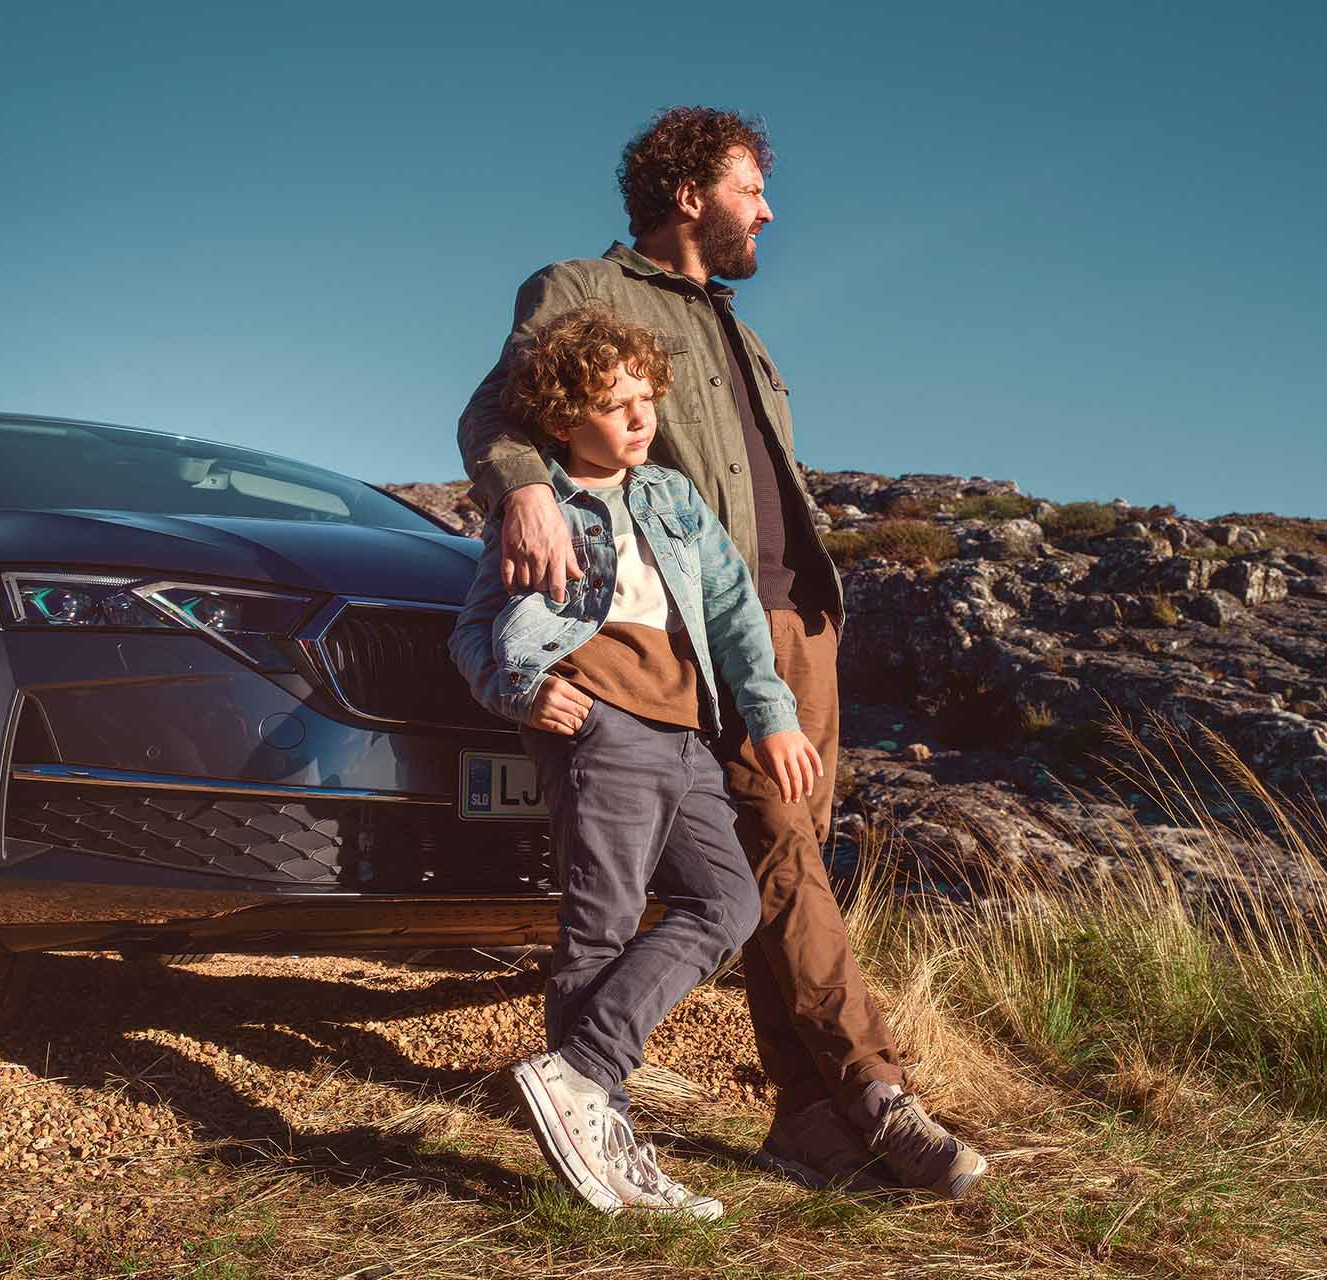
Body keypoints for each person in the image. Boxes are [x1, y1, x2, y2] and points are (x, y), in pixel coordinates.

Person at [450, 107, 984, 1198]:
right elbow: (495, 415)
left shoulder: (743, 332)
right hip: (690, 644)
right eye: (752, 186)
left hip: (791, 627)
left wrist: (801, 651)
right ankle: (874, 1088)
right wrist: (526, 493)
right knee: (770, 862)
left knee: (789, 872)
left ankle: (804, 1118)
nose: (769, 209)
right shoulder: (582, 290)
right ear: (688, 192)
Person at [449, 307, 820, 1219]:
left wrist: (771, 716)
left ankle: (578, 1076)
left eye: (645, 398)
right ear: (561, 419)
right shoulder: (537, 513)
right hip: (600, 726)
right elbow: (469, 634)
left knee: (728, 903)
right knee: (600, 928)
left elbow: (733, 613)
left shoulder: (672, 498)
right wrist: (521, 692)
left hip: (686, 730)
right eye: (615, 405)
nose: (640, 418)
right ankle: (599, 1136)